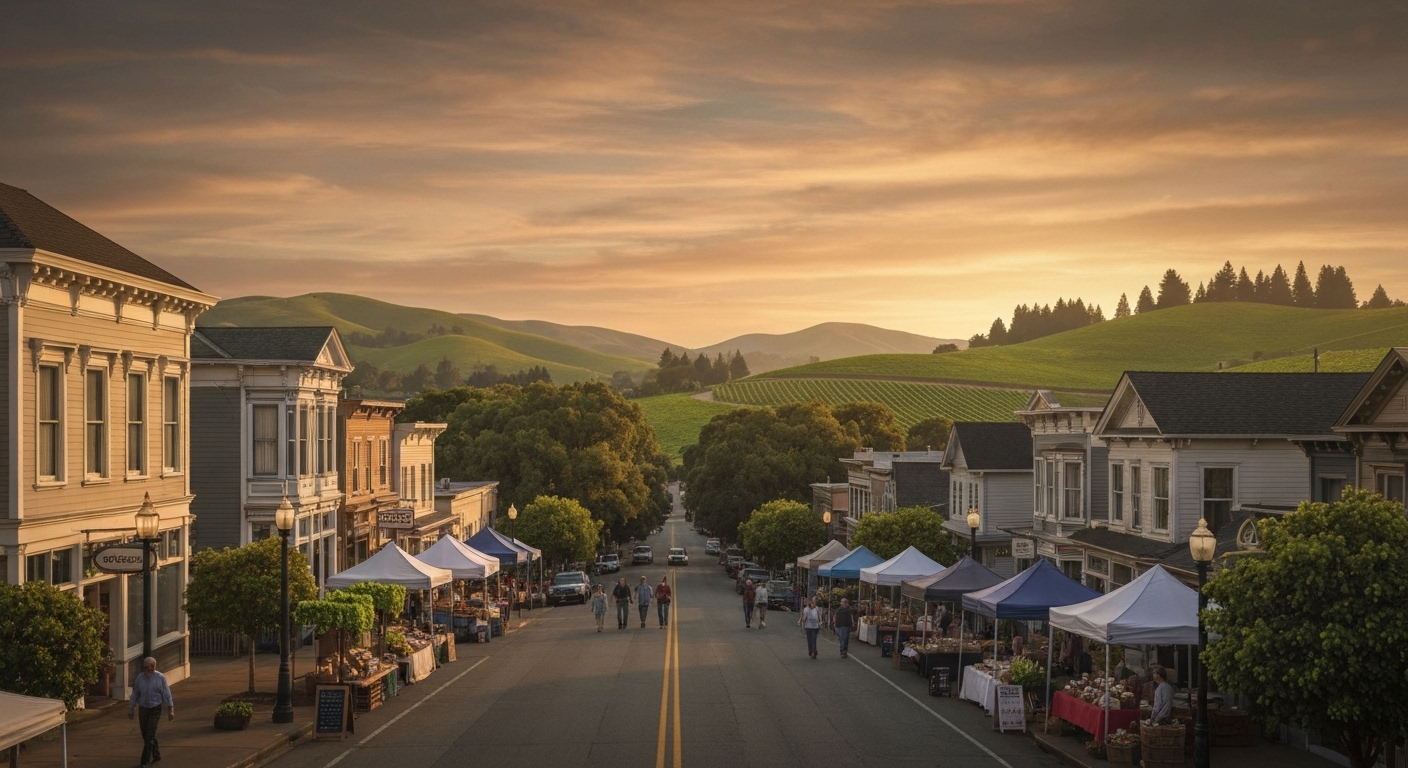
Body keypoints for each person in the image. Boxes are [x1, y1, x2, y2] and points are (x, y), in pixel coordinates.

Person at [128, 657, 174, 766]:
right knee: (146, 734)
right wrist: (131, 708)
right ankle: (156, 754)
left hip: (155, 708)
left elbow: (167, 694)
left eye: (150, 667)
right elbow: (135, 694)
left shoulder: (160, 678)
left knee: (149, 736)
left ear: (154, 667)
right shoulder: (140, 678)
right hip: (143, 708)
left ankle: (144, 762)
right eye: (145, 668)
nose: (148, 670)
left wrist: (170, 709)